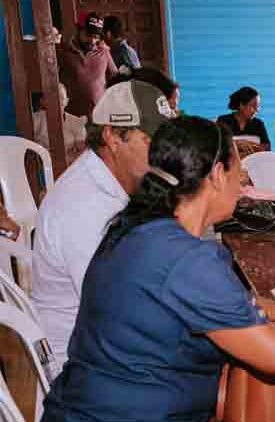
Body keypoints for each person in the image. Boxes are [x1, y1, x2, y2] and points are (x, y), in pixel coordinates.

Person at [35, 116, 275, 422]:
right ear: (215, 176)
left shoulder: (134, 229)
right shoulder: (187, 258)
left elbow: (216, 302)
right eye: (237, 170)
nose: (241, 183)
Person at [31, 80, 175, 368]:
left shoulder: (115, 182)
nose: (163, 152)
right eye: (150, 141)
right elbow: (120, 311)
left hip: (109, 342)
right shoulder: (84, 206)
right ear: (111, 136)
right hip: (85, 366)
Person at [57, 12, 118, 118]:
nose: (93, 40)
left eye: (96, 37)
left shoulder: (104, 52)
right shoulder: (64, 51)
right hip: (72, 116)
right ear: (79, 30)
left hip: (99, 116)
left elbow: (116, 78)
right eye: (89, 35)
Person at [32, 82, 87, 163]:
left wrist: (65, 159)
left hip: (68, 165)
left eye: (61, 97)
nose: (57, 101)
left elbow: (82, 151)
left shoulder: (76, 122)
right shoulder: (35, 119)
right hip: (42, 166)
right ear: (43, 101)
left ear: (67, 101)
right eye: (52, 97)